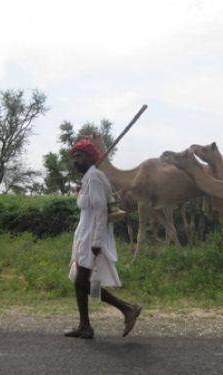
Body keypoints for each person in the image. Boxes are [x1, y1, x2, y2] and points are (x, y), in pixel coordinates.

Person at [65, 138, 142, 339]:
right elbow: (89, 206)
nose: (75, 160)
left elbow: (100, 211)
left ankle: (128, 309)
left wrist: (97, 242)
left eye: (79, 156)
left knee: (83, 281)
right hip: (84, 235)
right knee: (80, 281)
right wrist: (80, 193)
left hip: (92, 237)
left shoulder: (95, 178)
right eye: (74, 157)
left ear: (90, 157)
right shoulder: (89, 179)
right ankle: (85, 326)